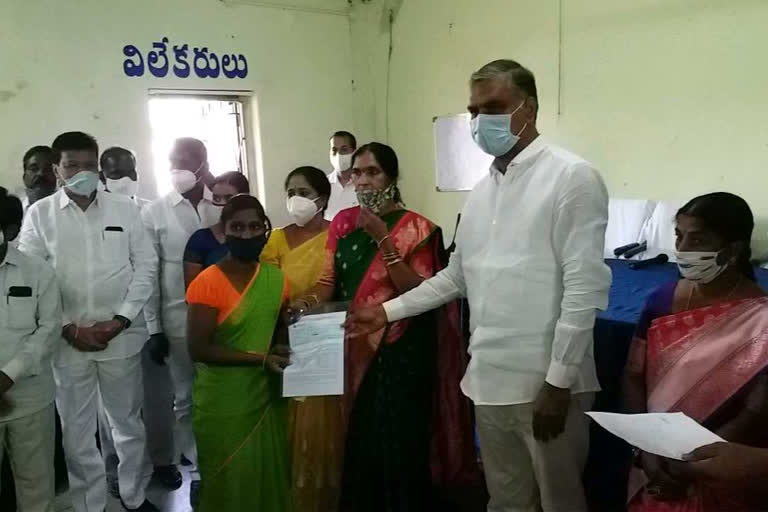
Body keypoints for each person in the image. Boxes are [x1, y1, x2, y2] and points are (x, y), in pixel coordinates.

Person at [345, 60, 611, 512]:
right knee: (506, 500)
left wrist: (560, 381)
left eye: (493, 107)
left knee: (560, 502)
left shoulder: (571, 176)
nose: (479, 121)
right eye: (473, 110)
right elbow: (456, 278)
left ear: (529, 109)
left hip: (546, 383)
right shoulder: (482, 189)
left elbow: (583, 288)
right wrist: (386, 312)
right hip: (488, 379)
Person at [294, 142, 476, 511]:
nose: (363, 181)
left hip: (400, 349)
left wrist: (383, 239)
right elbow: (328, 282)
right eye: (358, 173)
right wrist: (307, 302)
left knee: (396, 437)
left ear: (392, 178)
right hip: (350, 344)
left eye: (373, 172)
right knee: (358, 437)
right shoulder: (343, 224)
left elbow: (420, 290)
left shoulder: (420, 229)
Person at [19, 132, 159, 512]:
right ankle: (88, 504)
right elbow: (35, 277)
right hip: (67, 343)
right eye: (71, 165)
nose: (82, 172)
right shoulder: (40, 214)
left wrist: (120, 320)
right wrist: (68, 327)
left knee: (127, 423)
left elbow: (145, 267)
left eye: (88, 164)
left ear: (98, 166)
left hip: (120, 339)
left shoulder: (126, 210)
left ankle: (132, 495)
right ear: (56, 170)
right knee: (77, 433)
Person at [622, 192, 768, 512]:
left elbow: (755, 410)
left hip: (718, 467)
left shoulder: (761, 319)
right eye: (679, 236)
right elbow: (634, 376)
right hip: (653, 463)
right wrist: (646, 447)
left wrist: (691, 460)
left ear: (733, 249)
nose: (684, 249)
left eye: (698, 239)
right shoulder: (662, 300)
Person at [185, 194, 292, 511]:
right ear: (224, 231)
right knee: (228, 478)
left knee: (266, 472)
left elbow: (275, 335)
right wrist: (261, 359)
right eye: (238, 227)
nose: (247, 234)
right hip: (223, 401)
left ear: (265, 229)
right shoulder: (207, 281)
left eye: (255, 226)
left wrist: (282, 345)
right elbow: (198, 349)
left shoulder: (276, 279)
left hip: (265, 396)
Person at [98, 144, 179, 495]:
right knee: (114, 409)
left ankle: (163, 462)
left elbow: (154, 274)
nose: (125, 179)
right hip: (110, 327)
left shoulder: (150, 212)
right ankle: (116, 471)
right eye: (115, 173)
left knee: (159, 398)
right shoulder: (93, 218)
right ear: (102, 177)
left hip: (150, 324)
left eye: (130, 172)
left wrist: (157, 327)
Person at [141, 137, 217, 503]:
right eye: (173, 162)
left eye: (186, 162)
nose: (178, 170)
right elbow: (148, 275)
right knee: (186, 397)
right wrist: (154, 329)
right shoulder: (154, 212)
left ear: (203, 164)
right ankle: (201, 468)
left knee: (220, 390)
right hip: (177, 318)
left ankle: (225, 460)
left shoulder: (219, 203)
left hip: (224, 316)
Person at [260, 166, 335, 511]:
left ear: (322, 197)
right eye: (291, 191)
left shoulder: (337, 235)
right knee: (286, 417)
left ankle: (319, 493)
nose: (296, 199)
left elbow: (337, 283)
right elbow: (265, 288)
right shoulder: (275, 239)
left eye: (304, 192)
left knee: (320, 423)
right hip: (281, 335)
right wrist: (284, 314)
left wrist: (310, 306)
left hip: (324, 335)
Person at [0, 187, 61, 512]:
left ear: (9, 231)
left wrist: (7, 376)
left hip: (30, 399)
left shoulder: (37, 272)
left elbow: (48, 330)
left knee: (36, 488)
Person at [183, 171, 250, 287]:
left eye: (229, 198)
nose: (222, 204)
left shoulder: (255, 237)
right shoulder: (199, 240)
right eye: (216, 198)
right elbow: (193, 292)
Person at [325, 131, 358, 220]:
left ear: (354, 152)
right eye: (334, 150)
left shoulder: (363, 184)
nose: (338, 155)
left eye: (344, 150)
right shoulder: (323, 185)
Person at [20, 145, 57, 210]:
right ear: (24, 175)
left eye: (48, 169)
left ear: (57, 174)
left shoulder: (70, 209)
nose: (41, 173)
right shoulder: (13, 209)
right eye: (34, 169)